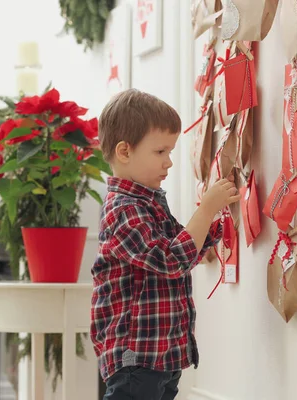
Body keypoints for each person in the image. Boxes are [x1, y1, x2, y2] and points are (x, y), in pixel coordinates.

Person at [91, 89, 240, 399]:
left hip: (161, 357)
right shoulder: (123, 209)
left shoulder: (150, 202)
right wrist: (206, 209)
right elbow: (171, 260)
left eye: (170, 152)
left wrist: (219, 223)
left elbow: (187, 247)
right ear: (124, 151)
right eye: (160, 152)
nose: (169, 162)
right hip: (136, 360)